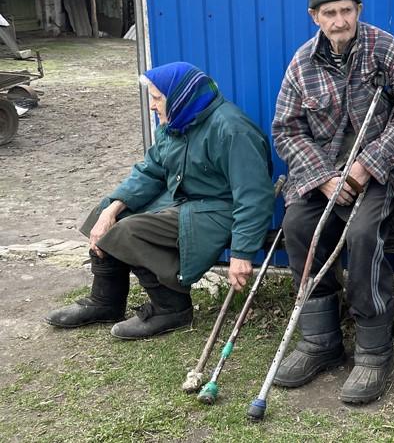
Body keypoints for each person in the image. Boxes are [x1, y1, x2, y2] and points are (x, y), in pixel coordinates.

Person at [271, 0, 394, 404]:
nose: (339, 21)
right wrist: (323, 178)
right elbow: (285, 129)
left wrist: (366, 165)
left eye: (346, 10)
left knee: (362, 234)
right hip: (321, 176)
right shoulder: (301, 64)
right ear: (314, 17)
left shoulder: (387, 50)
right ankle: (320, 340)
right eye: (329, 13)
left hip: (377, 175)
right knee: (297, 227)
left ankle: (375, 350)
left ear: (358, 9)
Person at [45, 62, 274, 340]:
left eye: (157, 98)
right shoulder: (176, 122)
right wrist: (112, 209)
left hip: (220, 210)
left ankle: (170, 308)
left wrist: (242, 252)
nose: (153, 106)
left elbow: (254, 197)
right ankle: (106, 302)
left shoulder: (231, 129)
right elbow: (151, 170)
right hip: (186, 200)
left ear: (180, 96)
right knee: (106, 214)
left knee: (131, 231)